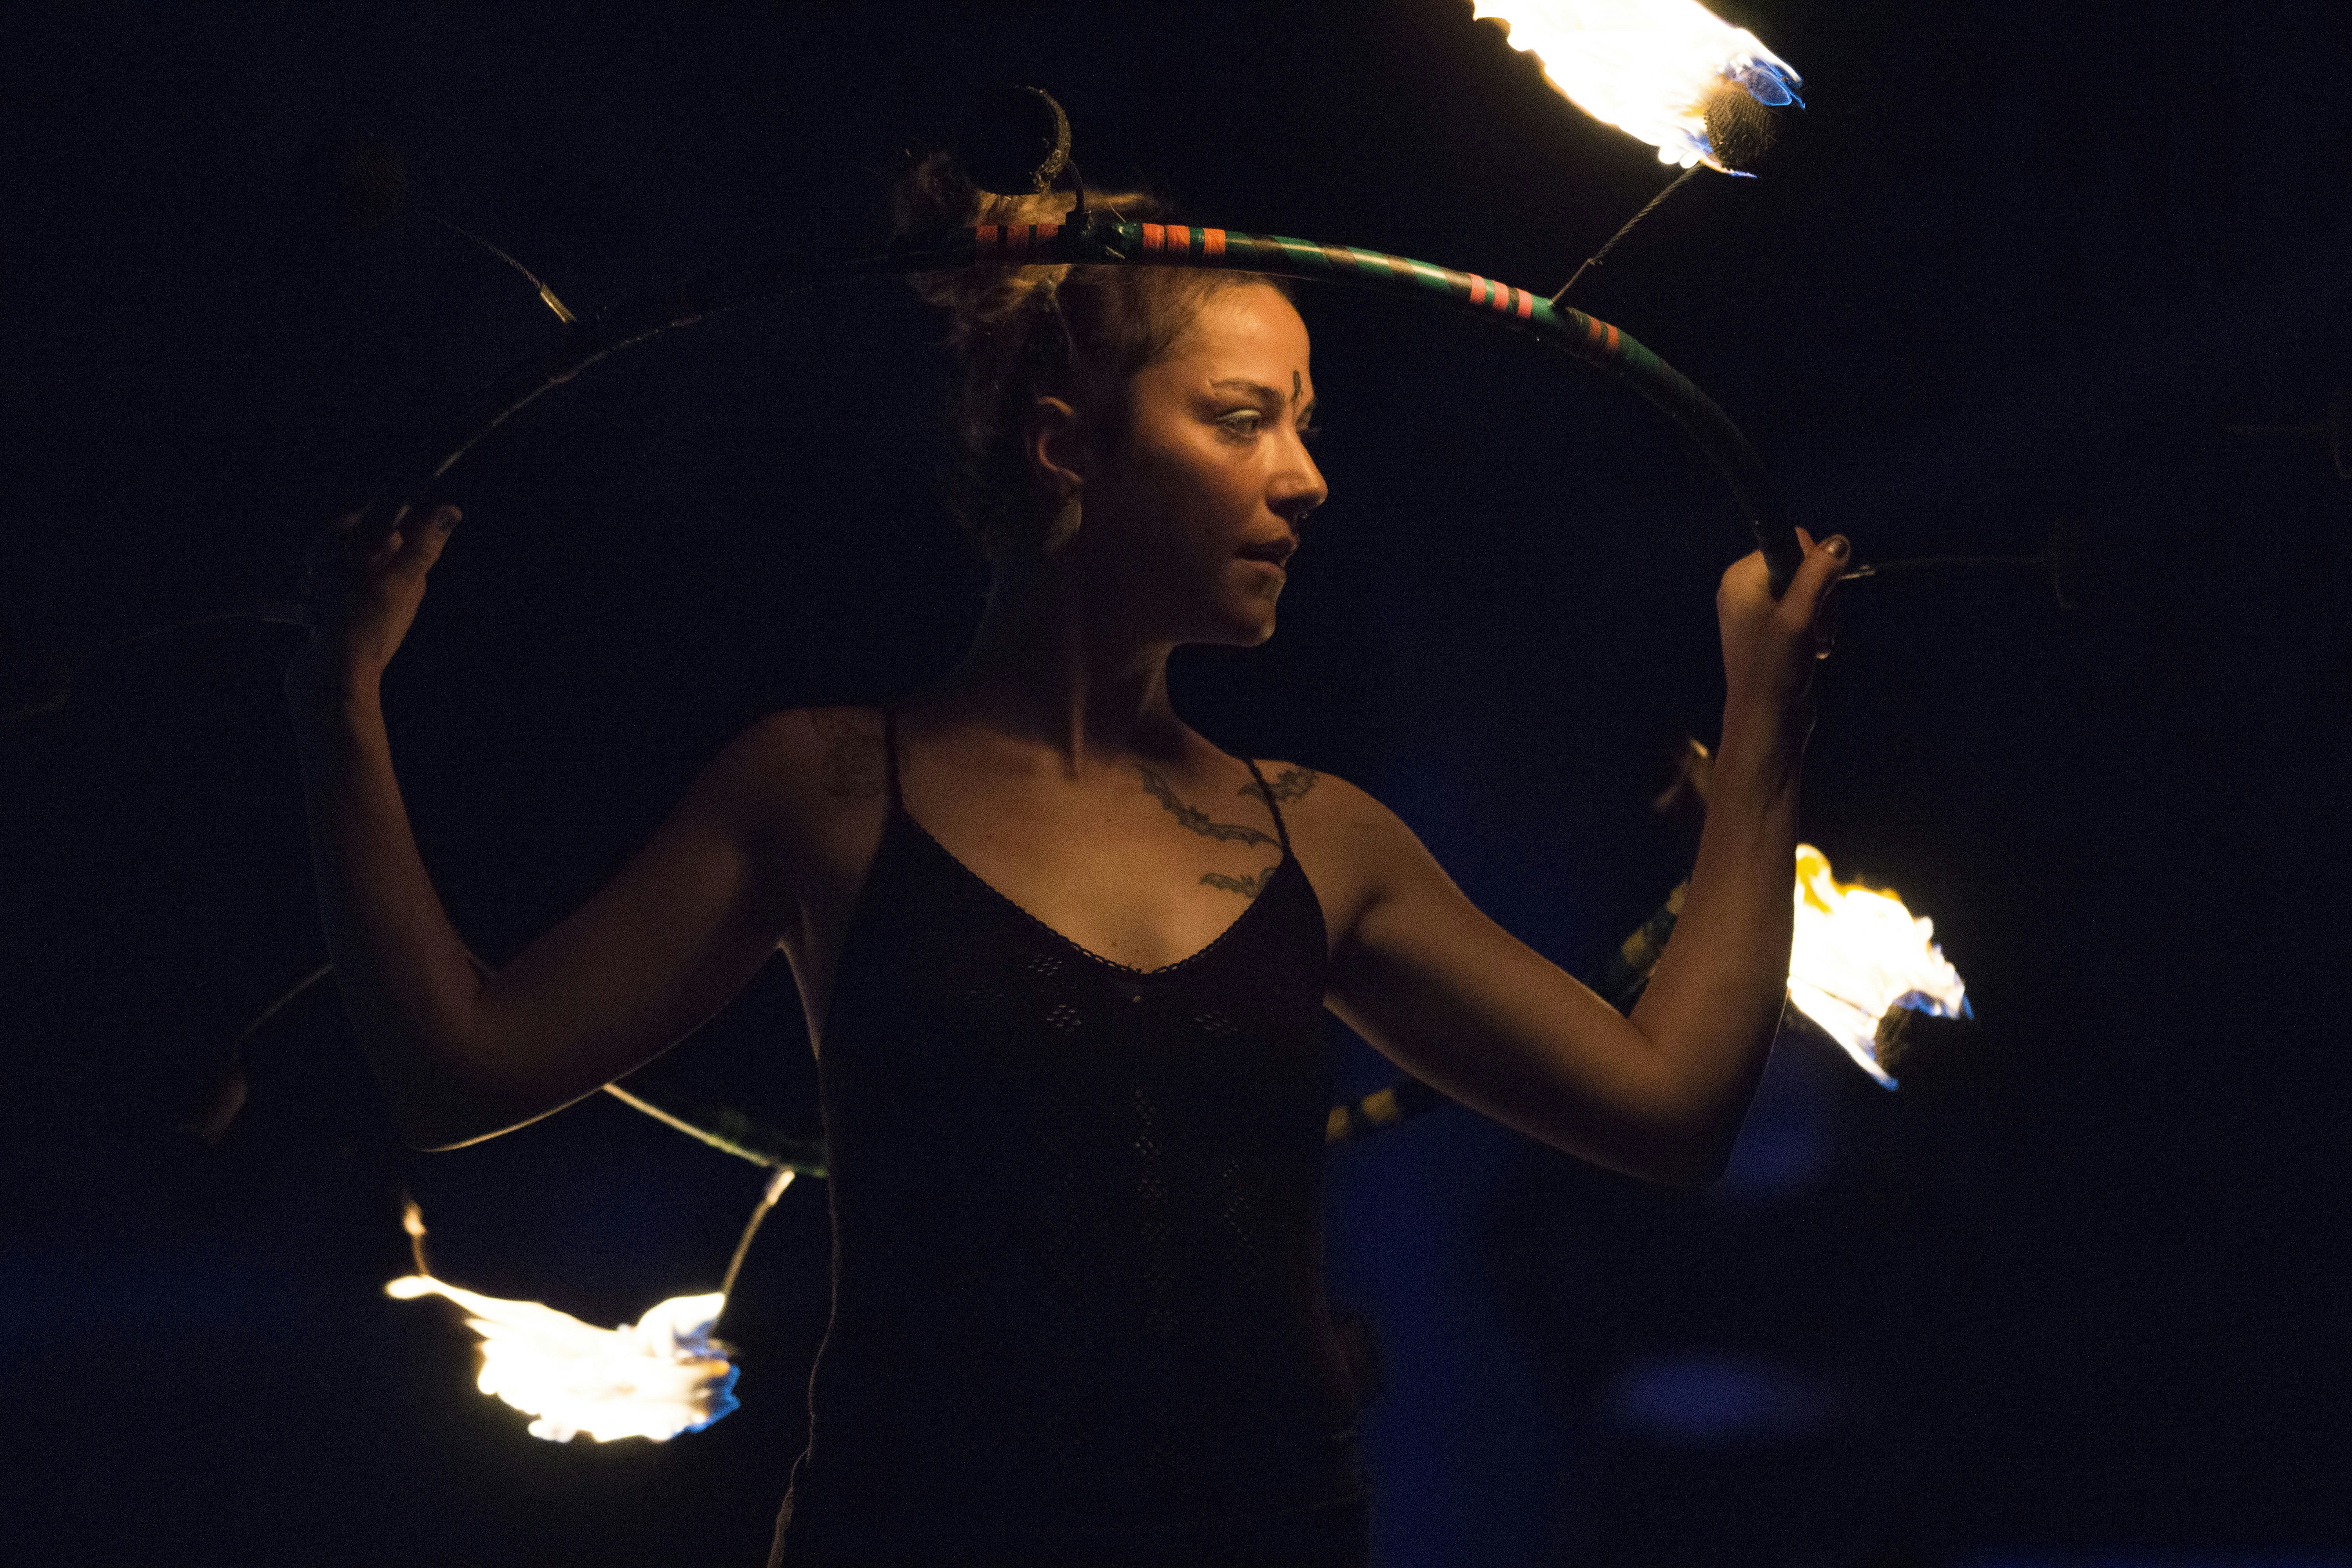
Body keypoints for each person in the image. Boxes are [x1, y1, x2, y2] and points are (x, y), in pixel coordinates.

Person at [287, 158, 1846, 1567]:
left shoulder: (1325, 836)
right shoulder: (825, 789)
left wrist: (1762, 733)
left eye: (1306, 423)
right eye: (1244, 420)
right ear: (1068, 446)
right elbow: (460, 1068)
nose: (1305, 477)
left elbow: (1670, 1115)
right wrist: (341, 699)